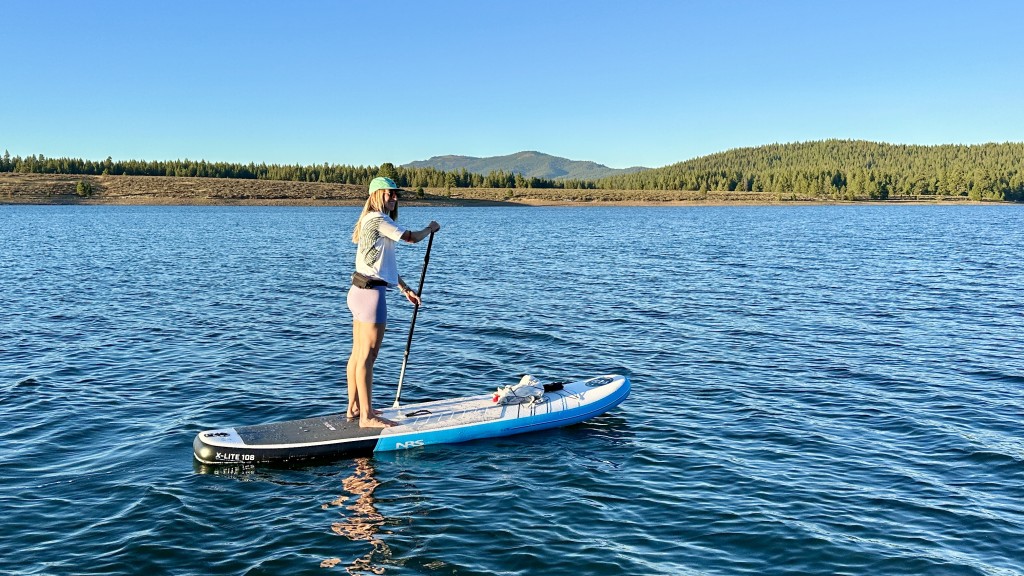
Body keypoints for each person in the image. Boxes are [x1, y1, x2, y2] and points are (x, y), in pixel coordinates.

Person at [346, 176, 440, 428]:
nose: (395, 198)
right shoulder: (378, 220)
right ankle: (367, 417)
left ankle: (354, 408)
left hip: (359, 291)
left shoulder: (369, 220)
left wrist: (404, 288)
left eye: (396, 194)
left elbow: (379, 265)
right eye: (390, 193)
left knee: (357, 354)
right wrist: (429, 229)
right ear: (376, 195)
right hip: (371, 296)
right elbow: (411, 238)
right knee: (368, 356)